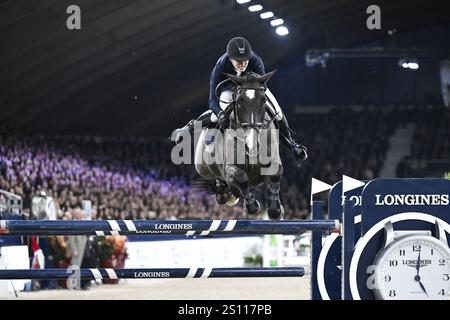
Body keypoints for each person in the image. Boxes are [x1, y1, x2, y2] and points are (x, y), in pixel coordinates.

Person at [174, 37, 307, 162]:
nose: (242, 64)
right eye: (238, 61)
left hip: (252, 87)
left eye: (245, 60)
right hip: (228, 88)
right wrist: (221, 114)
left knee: (276, 109)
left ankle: (291, 144)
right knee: (217, 116)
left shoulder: (256, 60)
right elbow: (212, 100)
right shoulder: (220, 65)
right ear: (230, 59)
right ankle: (191, 127)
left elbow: (261, 87)